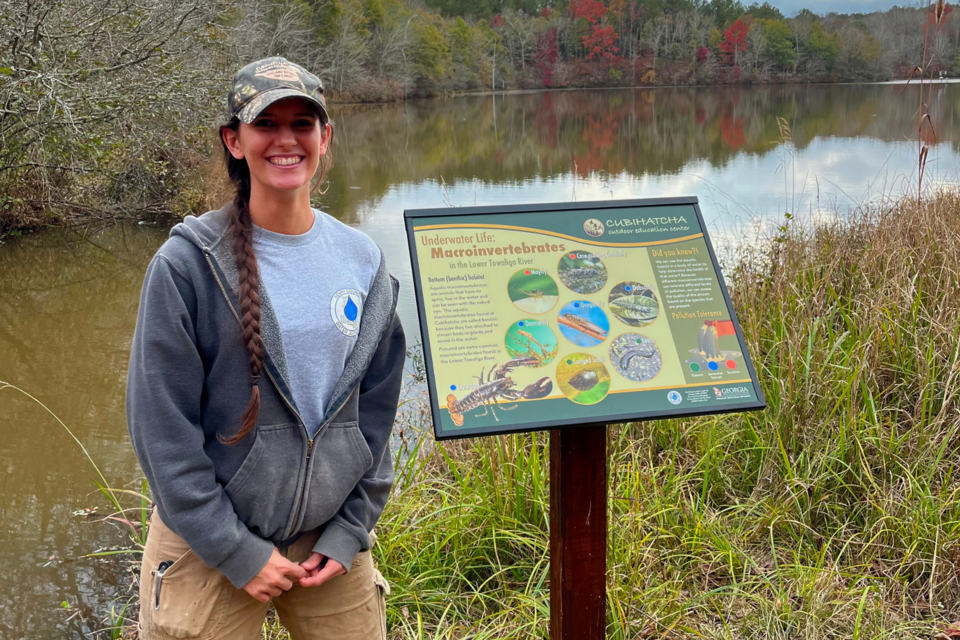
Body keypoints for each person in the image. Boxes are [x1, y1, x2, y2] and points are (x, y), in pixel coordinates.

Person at [126, 57, 405, 639]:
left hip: (328, 542)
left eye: (303, 123)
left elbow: (375, 415)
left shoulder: (364, 260)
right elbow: (161, 429)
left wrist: (351, 529)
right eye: (265, 124)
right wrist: (235, 550)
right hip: (206, 542)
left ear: (325, 138)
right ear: (234, 140)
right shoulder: (186, 266)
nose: (286, 140)